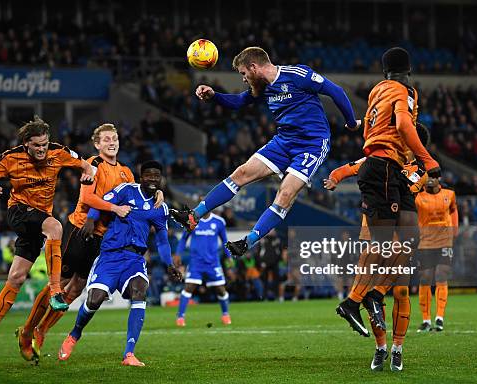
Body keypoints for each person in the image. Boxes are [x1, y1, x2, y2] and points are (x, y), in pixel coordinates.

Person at [171, 46, 359, 257]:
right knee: (241, 173)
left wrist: (351, 123)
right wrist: (214, 96)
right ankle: (193, 217)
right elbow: (239, 102)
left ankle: (248, 241)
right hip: (283, 141)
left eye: (243, 73)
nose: (243, 78)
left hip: (312, 145)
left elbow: (336, 91)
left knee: (285, 193)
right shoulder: (262, 87)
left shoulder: (297, 75)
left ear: (254, 67)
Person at [17, 123, 163, 360]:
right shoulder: (93, 164)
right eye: (106, 139)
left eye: (114, 138)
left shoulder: (126, 172)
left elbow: (139, 193)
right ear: (97, 144)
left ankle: (41, 330)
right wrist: (114, 208)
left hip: (104, 239)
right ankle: (27, 329)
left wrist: (158, 193)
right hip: (80, 230)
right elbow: (87, 197)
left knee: (76, 289)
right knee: (60, 283)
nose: (111, 142)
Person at [0, 116, 95, 362]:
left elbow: (87, 166)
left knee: (16, 277)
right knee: (56, 227)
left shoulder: (58, 152)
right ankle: (55, 290)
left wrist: (88, 174)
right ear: (26, 144)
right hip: (18, 212)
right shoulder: (10, 158)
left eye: (44, 144)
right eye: (37, 145)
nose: (42, 149)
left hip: (38, 221)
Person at [325, 122, 432, 372]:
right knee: (371, 290)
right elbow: (352, 167)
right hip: (374, 229)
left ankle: (397, 348)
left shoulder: (420, 169)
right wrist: (334, 178)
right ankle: (381, 346)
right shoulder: (384, 157)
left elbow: (406, 187)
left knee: (401, 293)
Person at [57, 160, 183, 366]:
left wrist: (169, 264)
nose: (152, 179)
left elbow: (161, 239)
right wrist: (90, 219)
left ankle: (129, 354)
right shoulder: (126, 190)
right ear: (141, 177)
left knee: (140, 290)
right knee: (94, 300)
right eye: (148, 175)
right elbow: (101, 201)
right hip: (110, 256)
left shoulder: (160, 208)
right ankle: (75, 334)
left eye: (156, 176)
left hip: (134, 259)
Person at [174, 207, 233, 326]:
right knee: (189, 287)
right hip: (196, 263)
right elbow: (183, 239)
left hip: (213, 263)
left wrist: (229, 256)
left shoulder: (219, 222)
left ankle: (225, 314)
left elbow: (224, 240)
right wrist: (178, 254)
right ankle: (180, 317)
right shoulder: (192, 221)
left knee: (221, 290)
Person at [415, 178, 458, 333]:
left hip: (444, 241)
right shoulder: (418, 197)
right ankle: (426, 320)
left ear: (438, 178)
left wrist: (455, 229)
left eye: (432, 176)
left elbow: (453, 210)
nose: (429, 180)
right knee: (425, 277)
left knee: (441, 275)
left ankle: (439, 318)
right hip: (425, 242)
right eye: (426, 177)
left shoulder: (449, 194)